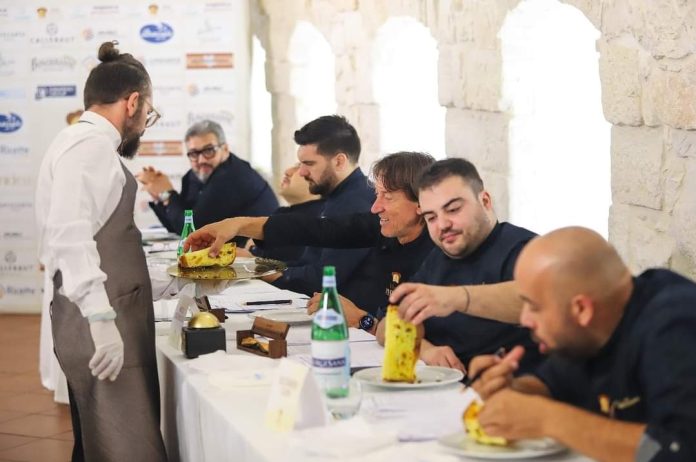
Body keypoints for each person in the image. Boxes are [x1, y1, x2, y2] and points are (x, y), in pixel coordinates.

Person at [35, 41, 167, 461]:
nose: (145, 124)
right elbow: (70, 236)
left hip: (111, 317)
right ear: (133, 103)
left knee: (99, 446)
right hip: (102, 326)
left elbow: (107, 245)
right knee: (120, 449)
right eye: (148, 113)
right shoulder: (88, 146)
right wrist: (101, 319)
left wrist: (169, 282)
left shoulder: (89, 144)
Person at [465, 227, 696, 462]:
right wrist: (511, 389)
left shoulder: (674, 326)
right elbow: (550, 384)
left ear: (582, 309)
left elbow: (678, 450)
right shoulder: (589, 330)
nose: (524, 320)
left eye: (533, 307)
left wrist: (546, 419)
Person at [184, 151, 436, 330]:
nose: (375, 207)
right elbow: (317, 230)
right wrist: (238, 225)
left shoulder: (437, 255)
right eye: (377, 195)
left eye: (387, 197)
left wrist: (362, 320)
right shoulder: (382, 229)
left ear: (421, 202)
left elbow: (424, 338)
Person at [377, 158, 541, 373]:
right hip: (440, 383)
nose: (443, 225)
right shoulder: (438, 258)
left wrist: (455, 298)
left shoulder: (525, 249)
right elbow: (385, 327)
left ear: (485, 201)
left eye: (453, 209)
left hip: (504, 385)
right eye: (431, 218)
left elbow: (542, 303)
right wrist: (426, 350)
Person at [256, 115, 374, 296]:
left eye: (309, 164)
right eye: (300, 164)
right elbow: (307, 264)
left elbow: (321, 279)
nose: (302, 172)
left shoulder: (356, 205)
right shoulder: (338, 197)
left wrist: (258, 270)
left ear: (339, 161)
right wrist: (258, 265)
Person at [137, 119, 279, 245]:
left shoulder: (232, 176)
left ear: (225, 149)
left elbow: (194, 231)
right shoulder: (193, 175)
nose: (201, 160)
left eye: (209, 151)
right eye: (194, 153)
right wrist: (159, 195)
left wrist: (167, 193)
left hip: (263, 256)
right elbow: (179, 226)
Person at [248, 163, 324, 262]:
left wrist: (251, 255)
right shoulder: (282, 213)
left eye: (299, 167)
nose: (288, 172)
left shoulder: (318, 219)